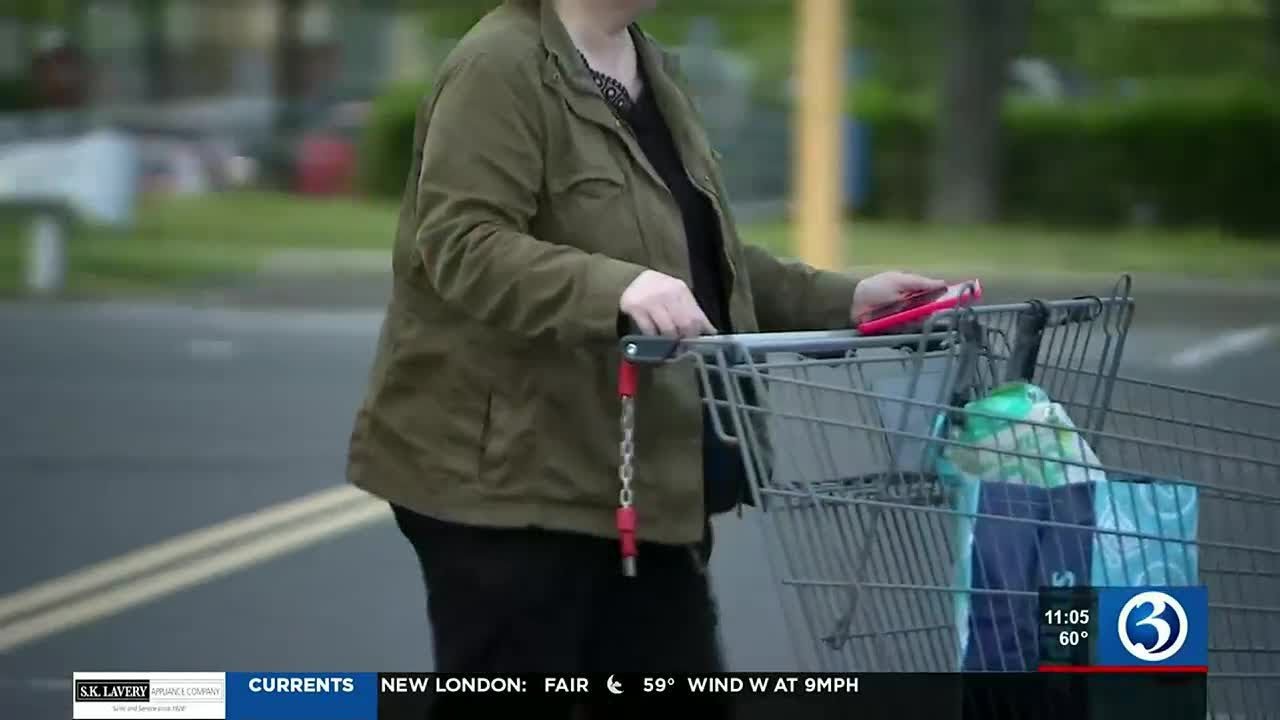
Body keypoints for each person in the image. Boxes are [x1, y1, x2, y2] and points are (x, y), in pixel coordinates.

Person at [344, 0, 944, 705]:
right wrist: (617, 286)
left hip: (636, 477)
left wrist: (844, 298)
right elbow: (462, 244)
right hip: (508, 485)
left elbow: (695, 256)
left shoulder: (648, 66)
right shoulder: (498, 66)